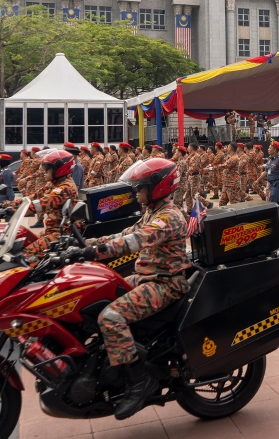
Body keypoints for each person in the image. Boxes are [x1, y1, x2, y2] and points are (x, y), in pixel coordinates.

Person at [64, 158, 190, 420]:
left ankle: (139, 381)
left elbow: (134, 241)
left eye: (140, 186)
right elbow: (120, 235)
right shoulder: (152, 213)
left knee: (110, 317)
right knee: (93, 293)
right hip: (146, 278)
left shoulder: (169, 217)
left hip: (165, 283)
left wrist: (93, 252)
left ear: (158, 187)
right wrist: (78, 246)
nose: (136, 191)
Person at [19, 150, 81, 260]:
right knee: (22, 242)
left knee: (26, 255)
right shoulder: (54, 183)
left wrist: (17, 210)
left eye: (48, 168)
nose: (44, 171)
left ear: (59, 169)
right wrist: (5, 205)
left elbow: (42, 204)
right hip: (51, 231)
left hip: (61, 234)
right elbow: (35, 196)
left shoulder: (65, 188)